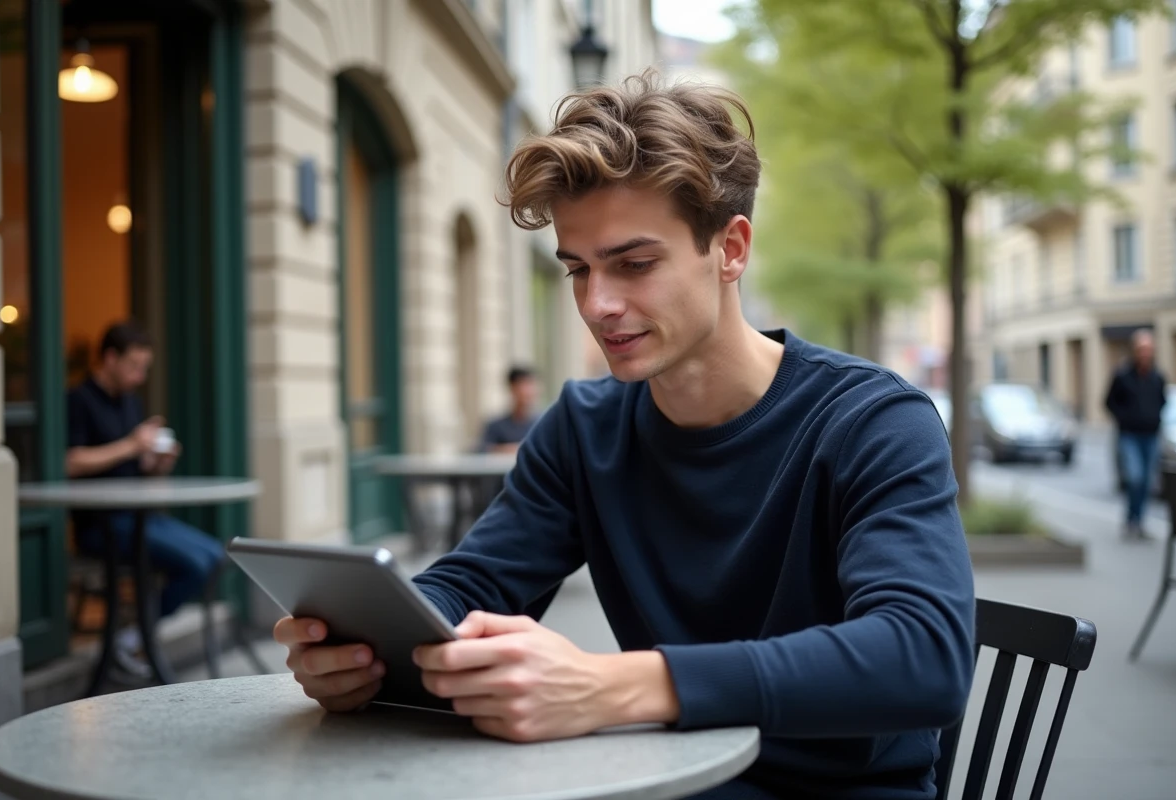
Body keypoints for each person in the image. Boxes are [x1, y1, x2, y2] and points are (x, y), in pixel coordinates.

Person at [274, 71, 975, 800]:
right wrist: (369, 650)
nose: (599, 304)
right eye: (578, 269)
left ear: (730, 249)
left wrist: (614, 685)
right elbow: (475, 583)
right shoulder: (584, 427)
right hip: (660, 780)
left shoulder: (872, 421)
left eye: (634, 264)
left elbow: (923, 656)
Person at [67, 321, 224, 676]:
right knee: (195, 565)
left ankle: (133, 637)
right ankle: (131, 640)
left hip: (141, 515)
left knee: (214, 555)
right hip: (102, 525)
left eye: (144, 368)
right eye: (134, 366)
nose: (140, 376)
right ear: (110, 358)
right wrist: (131, 445)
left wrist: (156, 463)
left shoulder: (131, 404)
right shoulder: (78, 401)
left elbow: (137, 468)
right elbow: (71, 462)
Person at [1105, 328, 1167, 540]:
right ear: (1135, 350)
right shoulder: (1122, 375)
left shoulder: (1157, 376)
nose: (1145, 353)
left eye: (1149, 348)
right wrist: (1124, 418)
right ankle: (1131, 518)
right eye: (1142, 348)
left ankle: (1138, 522)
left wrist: (1155, 418)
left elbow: (1162, 401)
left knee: (1147, 482)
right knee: (1135, 477)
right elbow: (1109, 401)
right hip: (1130, 435)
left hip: (1151, 435)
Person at [477, 365, 541, 454]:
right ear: (512, 388)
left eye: (531, 385)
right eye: (524, 385)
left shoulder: (543, 424)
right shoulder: (496, 426)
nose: (529, 391)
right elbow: (481, 450)